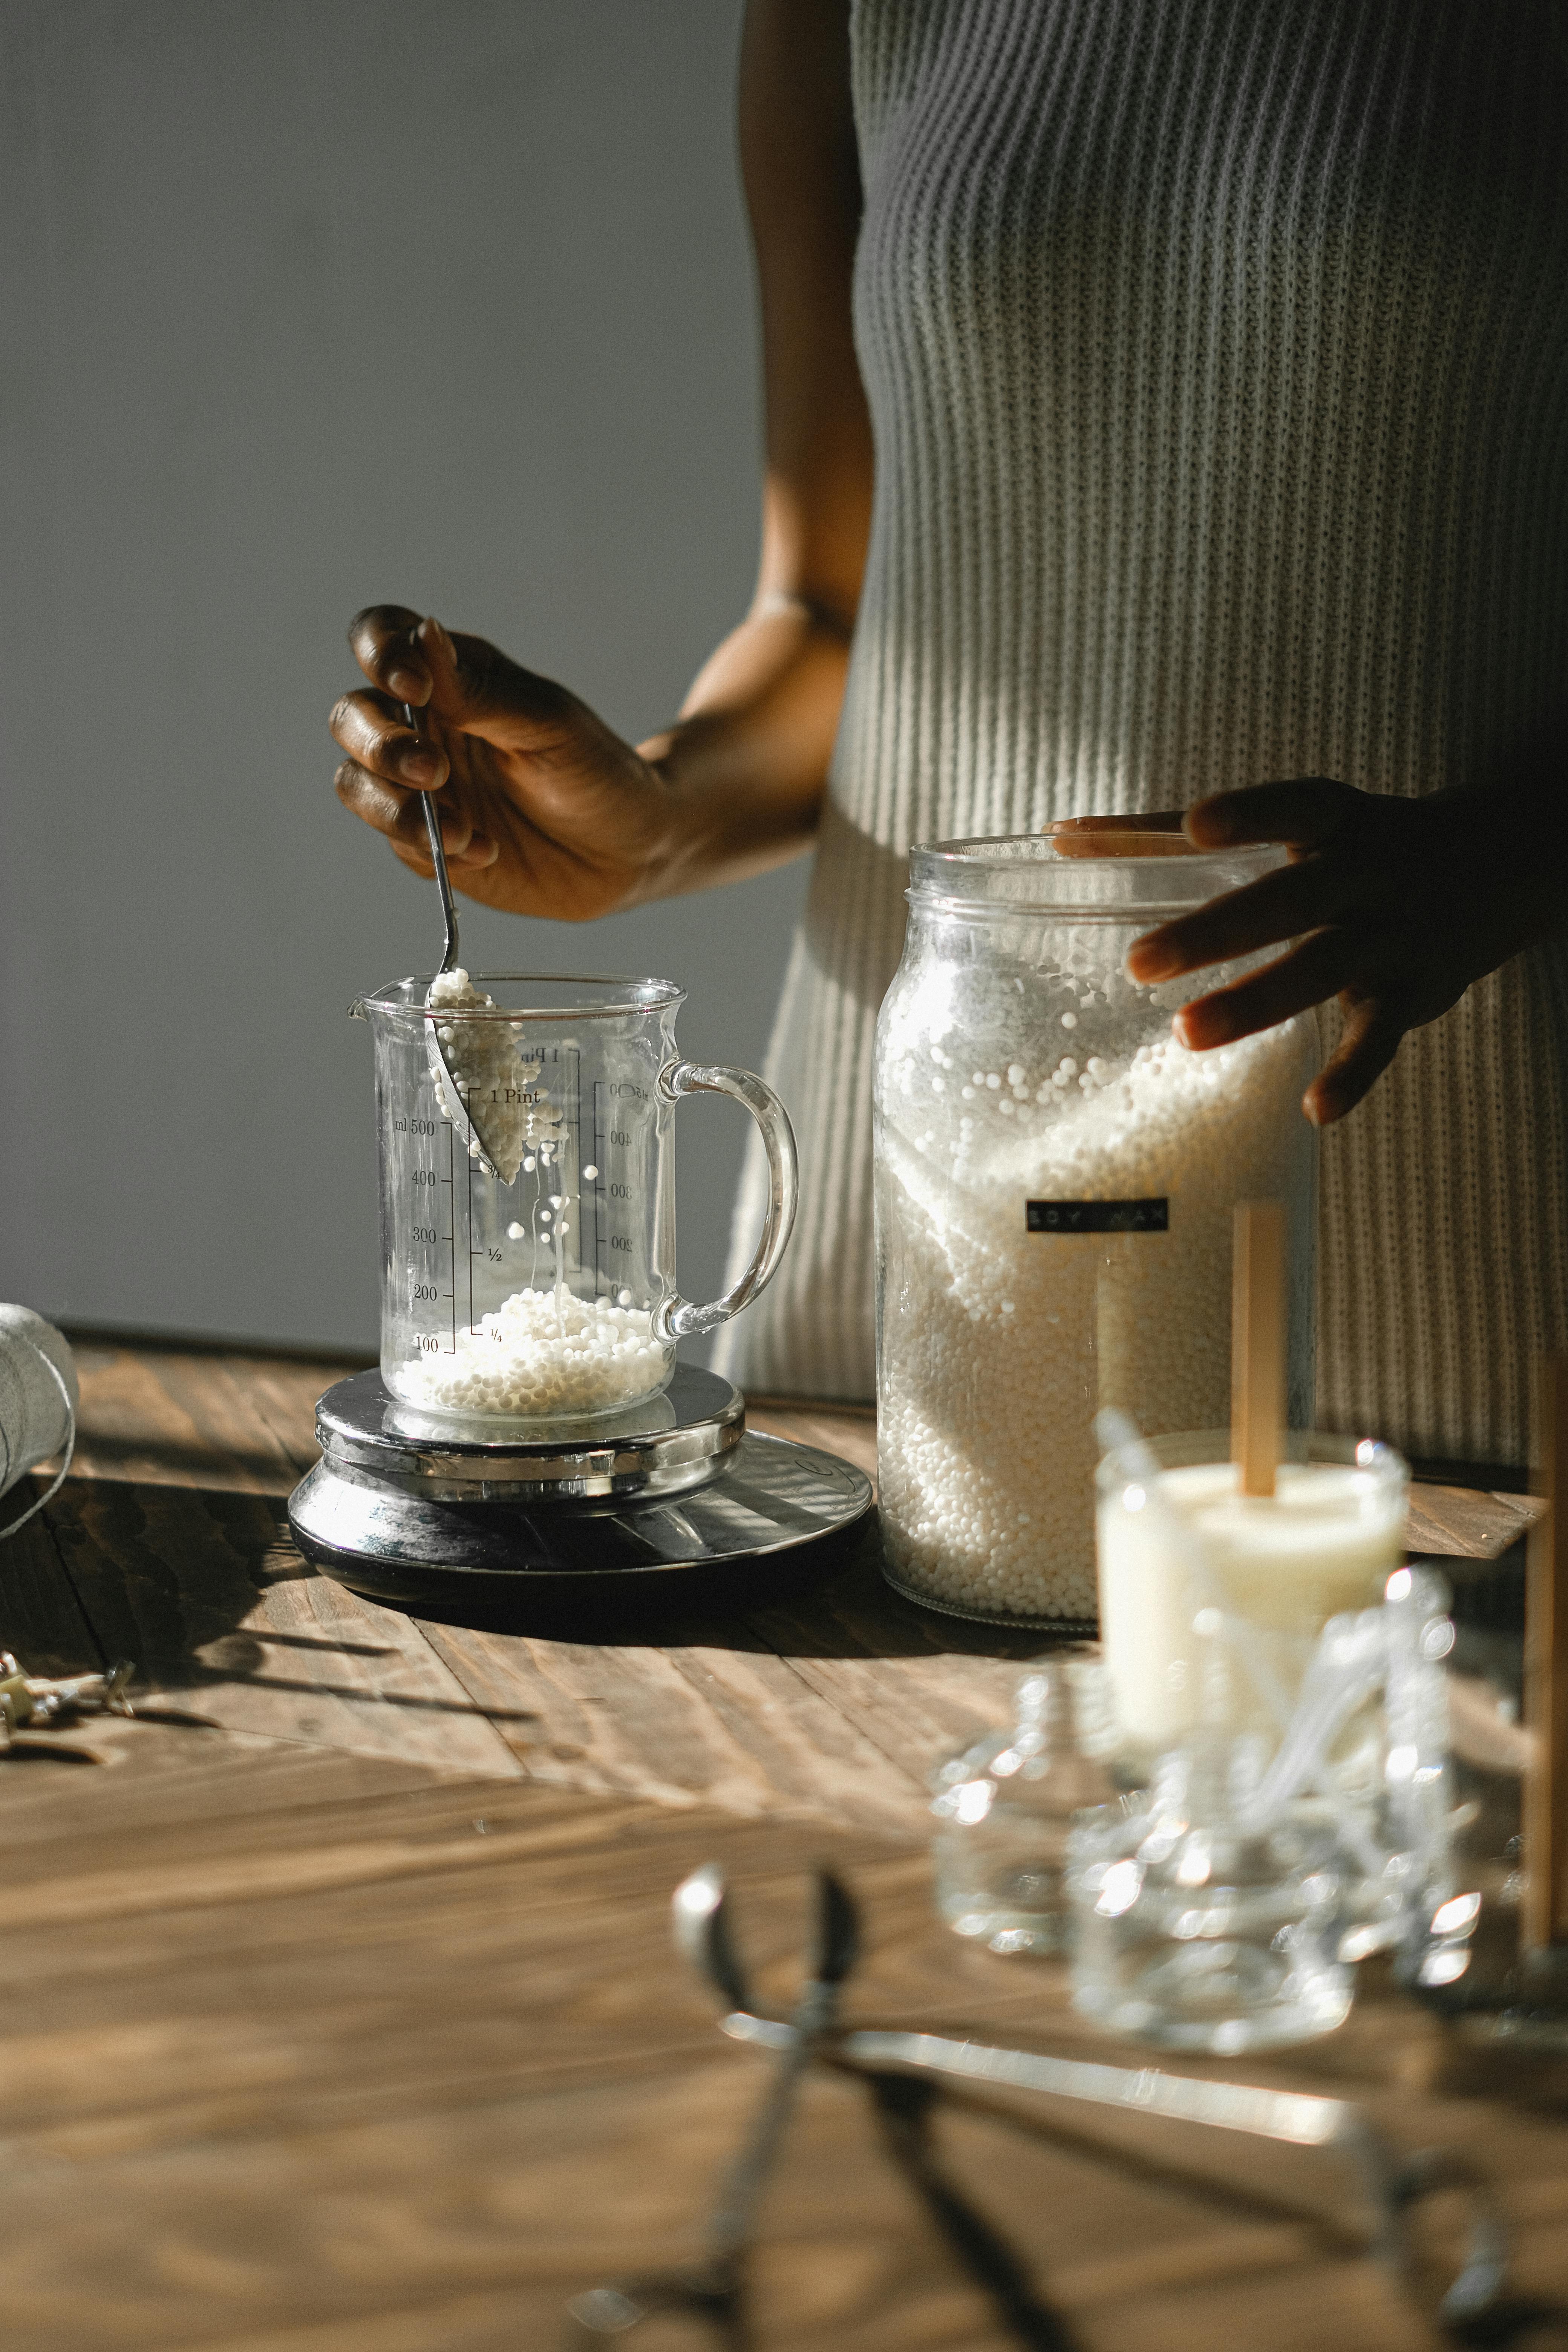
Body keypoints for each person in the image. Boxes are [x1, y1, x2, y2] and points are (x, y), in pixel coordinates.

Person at [330, 0, 1568, 1466]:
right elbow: (832, 610)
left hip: (1447, 1204)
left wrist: (1509, 847)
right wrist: (656, 816)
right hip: (920, 1217)